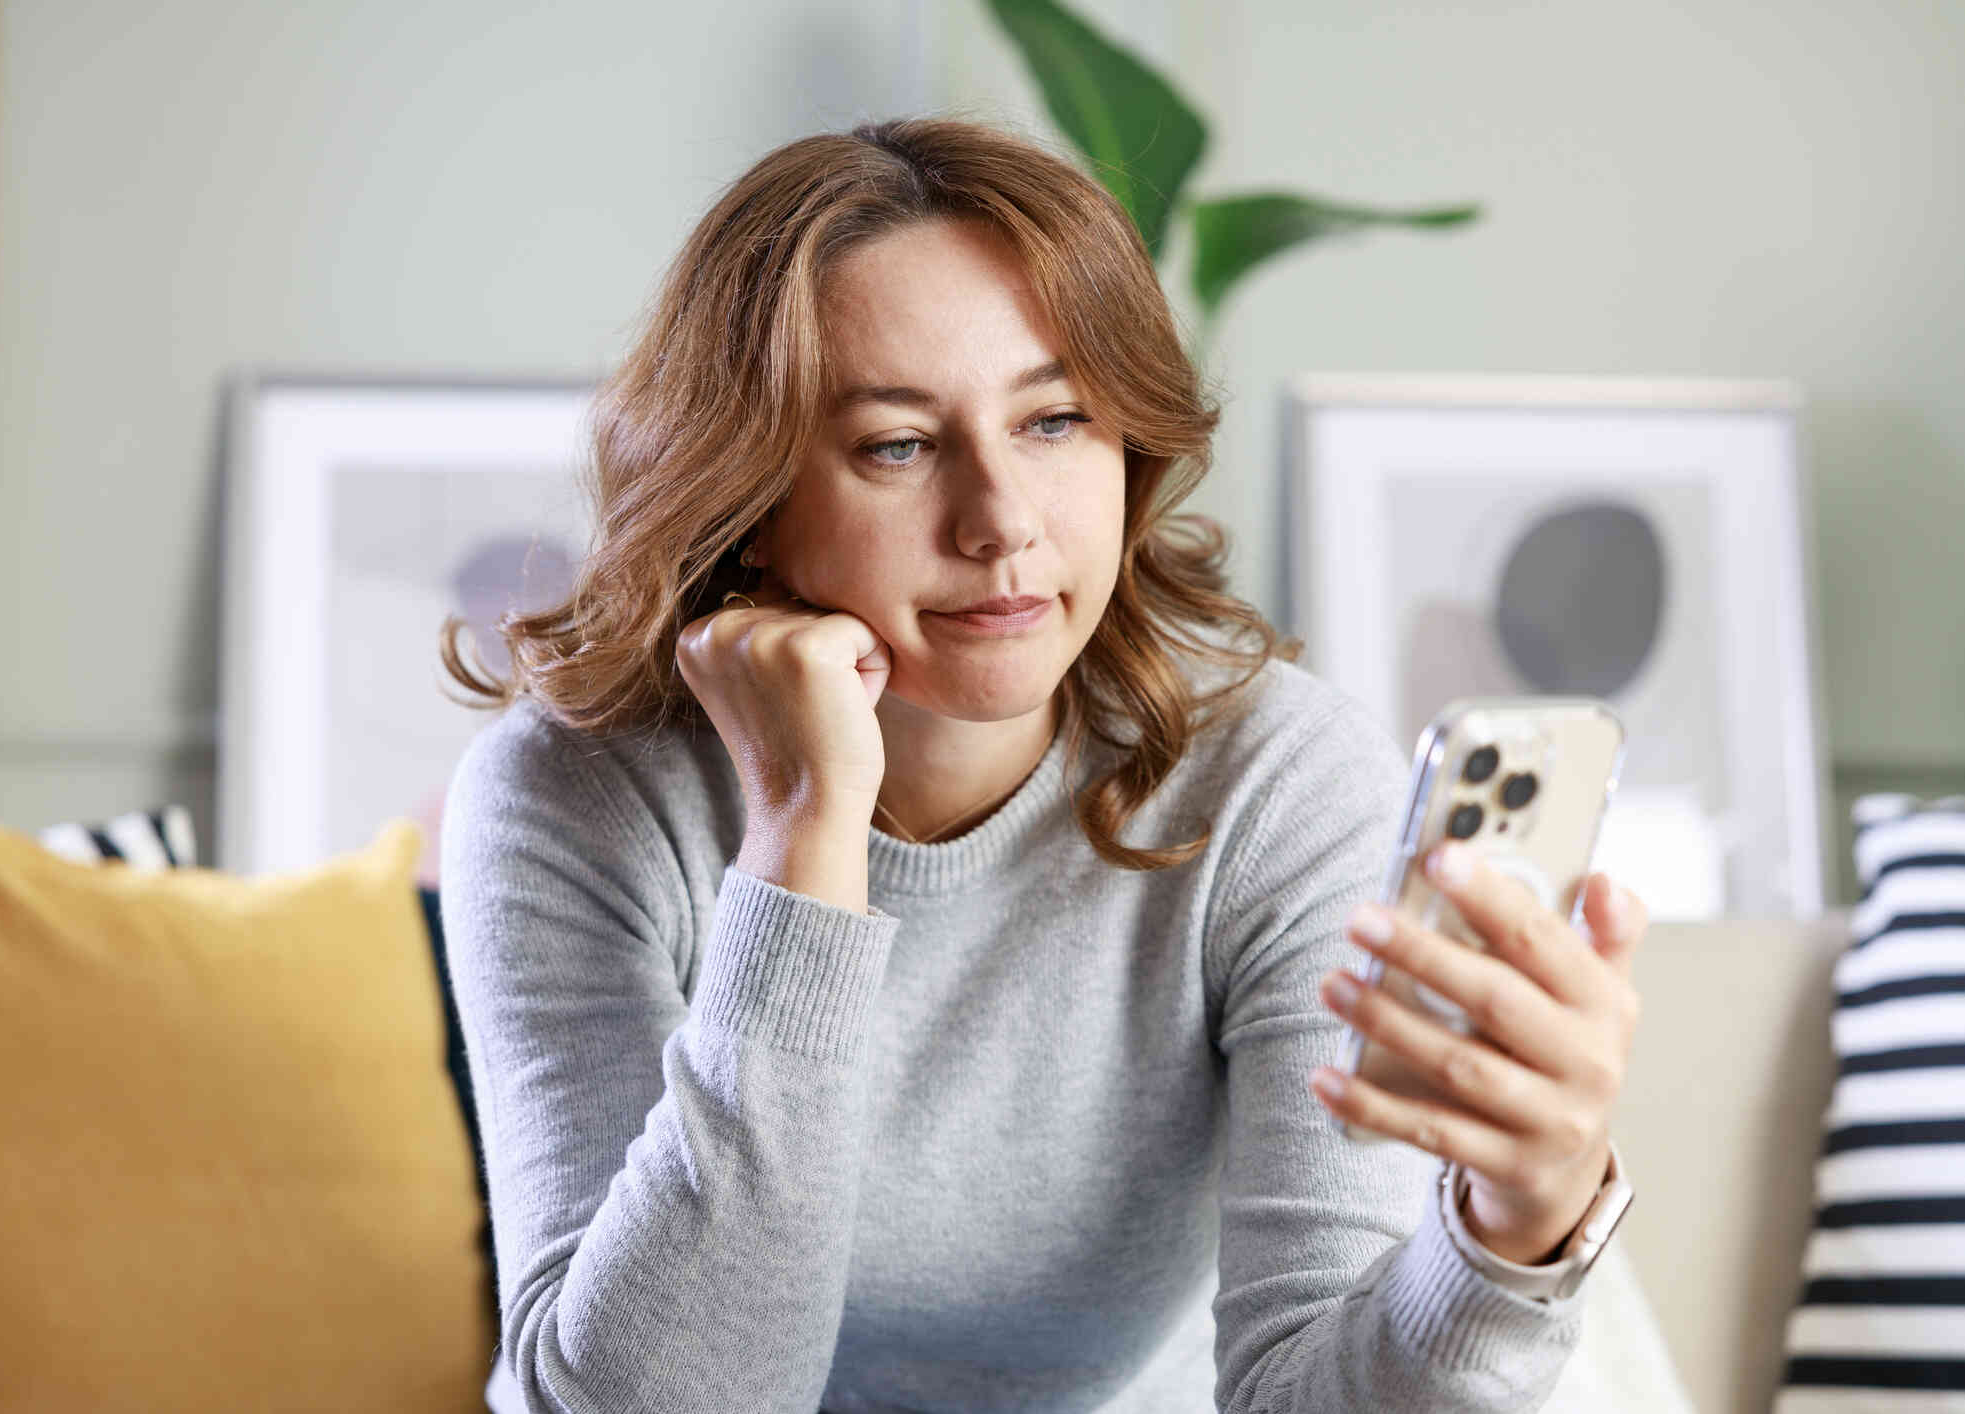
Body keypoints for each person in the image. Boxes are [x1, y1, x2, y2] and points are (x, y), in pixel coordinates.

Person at [435, 115, 1650, 1414]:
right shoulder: (572, 798)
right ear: (747, 492)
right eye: (897, 444)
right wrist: (801, 837)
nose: (1001, 523)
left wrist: (1515, 1232)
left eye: (1056, 420)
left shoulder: (1272, 785)